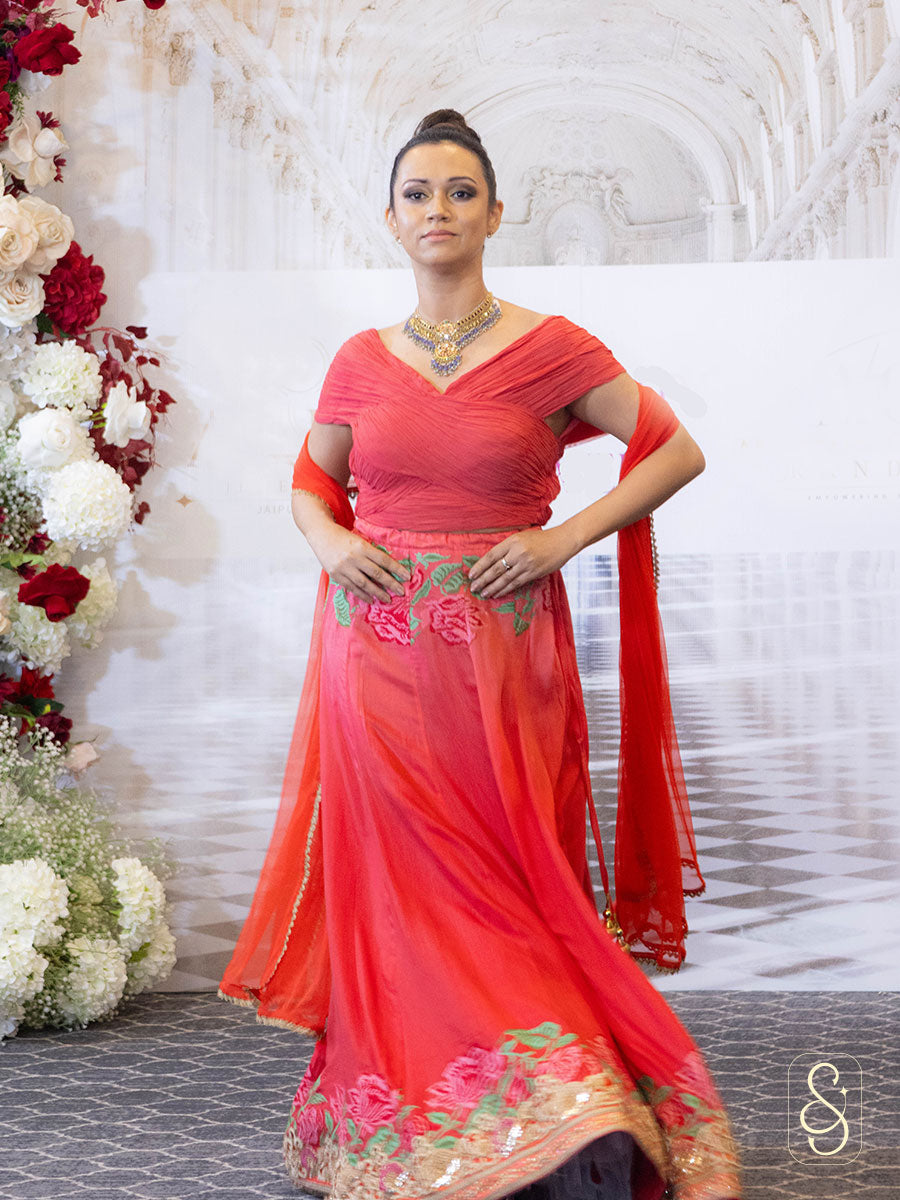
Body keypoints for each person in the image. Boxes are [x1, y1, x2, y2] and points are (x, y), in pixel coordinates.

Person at [219, 109, 743, 1200]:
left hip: (506, 664)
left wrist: (560, 537)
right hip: (374, 660)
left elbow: (674, 449)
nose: (439, 211)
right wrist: (330, 540)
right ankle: (444, 1122)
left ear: (496, 214)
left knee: (513, 878)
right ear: (391, 217)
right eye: (419, 193)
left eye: (461, 193)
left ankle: (571, 1110)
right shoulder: (359, 361)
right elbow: (313, 482)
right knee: (402, 888)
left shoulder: (553, 349)